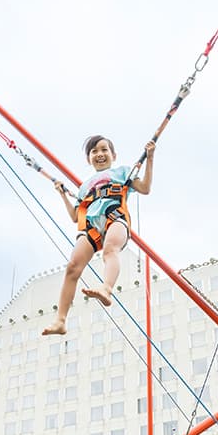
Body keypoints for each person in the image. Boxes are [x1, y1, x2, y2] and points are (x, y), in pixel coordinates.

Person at [42, 135, 155, 336]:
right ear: (89, 159)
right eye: (94, 151)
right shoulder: (85, 186)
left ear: (113, 155)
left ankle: (106, 289)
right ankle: (60, 320)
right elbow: (75, 217)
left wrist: (150, 158)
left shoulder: (122, 172)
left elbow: (145, 188)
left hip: (115, 216)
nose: (100, 154)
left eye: (104, 150)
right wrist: (62, 195)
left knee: (110, 250)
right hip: (91, 226)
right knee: (72, 267)